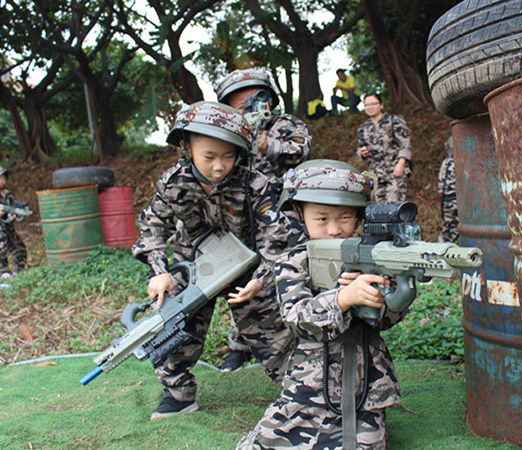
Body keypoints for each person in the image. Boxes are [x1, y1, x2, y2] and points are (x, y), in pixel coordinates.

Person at [131, 101, 303, 420]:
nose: (219, 166)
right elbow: (153, 226)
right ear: (186, 147)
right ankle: (178, 394)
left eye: (228, 156)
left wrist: (262, 278)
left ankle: (301, 390)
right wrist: (159, 272)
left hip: (247, 266)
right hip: (194, 265)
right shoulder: (174, 183)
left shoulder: (255, 184)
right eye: (209, 156)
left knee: (271, 326)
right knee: (171, 317)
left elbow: (275, 237)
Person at [236, 160, 406, 449]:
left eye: (345, 217)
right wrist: (343, 299)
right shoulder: (293, 261)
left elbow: (386, 321)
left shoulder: (372, 256)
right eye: (322, 218)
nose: (335, 229)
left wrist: (391, 295)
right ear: (301, 214)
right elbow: (296, 318)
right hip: (310, 383)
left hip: (366, 384)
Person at [214, 67, 312, 371]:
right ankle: (239, 344)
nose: (249, 108)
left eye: (255, 100)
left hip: (282, 215)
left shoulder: (285, 124)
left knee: (286, 273)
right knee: (241, 277)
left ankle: (298, 336)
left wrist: (267, 144)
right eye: (239, 104)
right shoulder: (228, 130)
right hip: (240, 215)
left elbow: (302, 147)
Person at [356, 93, 412, 204]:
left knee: (393, 207)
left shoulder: (393, 121)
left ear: (381, 105)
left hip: (394, 171)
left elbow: (405, 144)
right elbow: (359, 148)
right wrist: (362, 153)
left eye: (373, 104)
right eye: (367, 105)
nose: (370, 107)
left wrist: (401, 164)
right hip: (376, 174)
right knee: (381, 210)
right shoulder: (364, 128)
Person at [0, 167, 27, 277]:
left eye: (3, 178)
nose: (2, 181)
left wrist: (13, 214)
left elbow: (13, 206)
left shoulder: (7, 193)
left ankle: (18, 271)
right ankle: (3, 272)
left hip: (8, 227)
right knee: (1, 249)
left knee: (19, 248)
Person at [437, 136, 459, 243]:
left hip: (453, 199)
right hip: (450, 200)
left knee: (453, 227)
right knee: (450, 227)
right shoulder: (450, 162)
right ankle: (441, 248)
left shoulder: (451, 162)